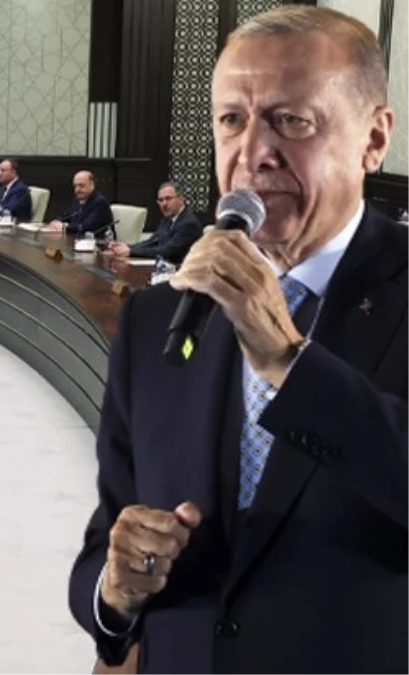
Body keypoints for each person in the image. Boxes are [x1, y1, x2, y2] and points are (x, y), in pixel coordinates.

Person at [69, 7, 406, 674]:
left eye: (291, 120)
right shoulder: (157, 317)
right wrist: (115, 591)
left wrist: (288, 361)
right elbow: (106, 538)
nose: (252, 152)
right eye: (231, 119)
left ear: (374, 139)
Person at [108, 182, 202, 263]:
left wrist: (131, 251)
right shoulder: (168, 218)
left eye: (168, 199)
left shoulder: (188, 224)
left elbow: (167, 251)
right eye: (161, 200)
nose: (164, 204)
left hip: (182, 271)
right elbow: (152, 241)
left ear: (181, 200)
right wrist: (127, 247)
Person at [47, 170, 114, 237]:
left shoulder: (100, 203)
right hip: (78, 240)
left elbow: (87, 227)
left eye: (81, 185)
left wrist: (65, 227)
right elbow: (66, 216)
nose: (77, 189)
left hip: (98, 241)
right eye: (75, 186)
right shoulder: (77, 200)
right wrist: (56, 223)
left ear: (92, 185)